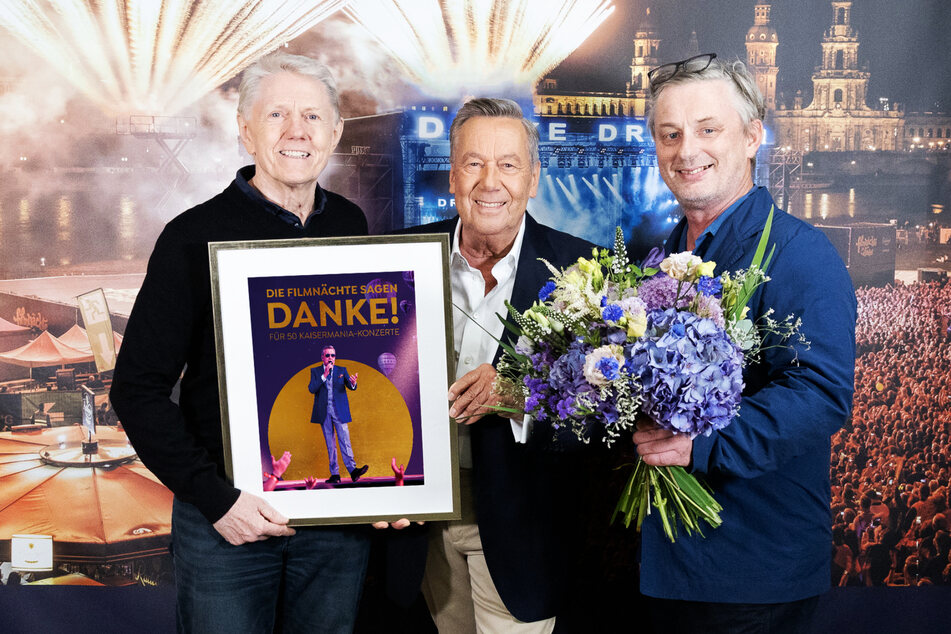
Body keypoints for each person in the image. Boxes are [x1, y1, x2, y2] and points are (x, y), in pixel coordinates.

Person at [110, 51, 370, 633]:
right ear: (246, 130)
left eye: (311, 116)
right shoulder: (191, 236)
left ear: (335, 132)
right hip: (225, 524)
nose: (296, 132)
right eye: (276, 114)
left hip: (334, 527)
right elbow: (137, 390)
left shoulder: (351, 225)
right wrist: (217, 501)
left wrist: (398, 496)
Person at [631, 53, 857, 632]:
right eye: (670, 134)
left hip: (751, 574)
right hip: (664, 568)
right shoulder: (657, 259)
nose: (688, 150)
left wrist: (697, 443)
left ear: (753, 137)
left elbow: (820, 395)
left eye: (709, 130)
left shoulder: (801, 253)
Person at [386, 98, 595, 632]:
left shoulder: (582, 271)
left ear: (533, 178)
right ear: (453, 175)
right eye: (474, 163)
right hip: (421, 520)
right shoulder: (396, 258)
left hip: (522, 523)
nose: (489, 182)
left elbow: (602, 417)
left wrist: (525, 396)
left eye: (508, 164)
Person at [309, 344, 368, 484]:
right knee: (331, 444)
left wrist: (353, 383)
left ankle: (353, 470)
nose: (330, 358)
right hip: (324, 411)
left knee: (345, 439)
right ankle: (335, 474)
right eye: (327, 355)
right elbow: (312, 388)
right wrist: (324, 375)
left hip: (339, 410)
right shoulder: (316, 371)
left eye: (333, 355)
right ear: (322, 357)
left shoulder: (342, 370)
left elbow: (350, 385)